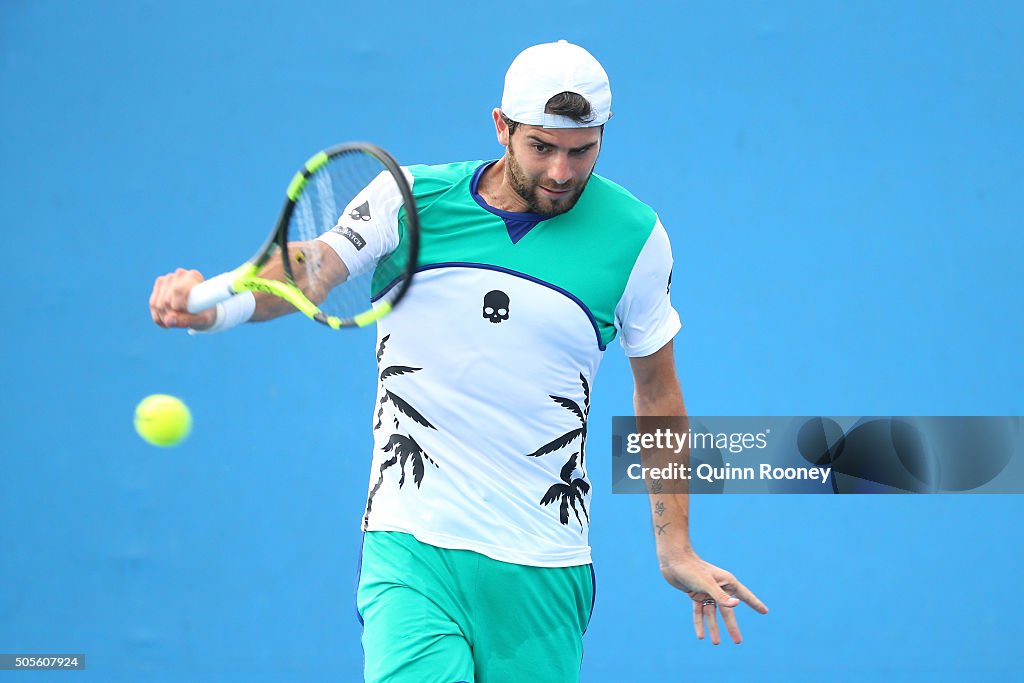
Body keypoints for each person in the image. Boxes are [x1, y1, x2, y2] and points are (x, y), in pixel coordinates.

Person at [149, 40, 768, 683]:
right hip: (412, 543)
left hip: (543, 567)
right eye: (541, 146)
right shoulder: (409, 199)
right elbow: (314, 267)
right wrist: (219, 305)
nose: (561, 170)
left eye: (581, 149)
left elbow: (658, 394)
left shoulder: (636, 237)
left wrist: (674, 547)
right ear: (501, 127)